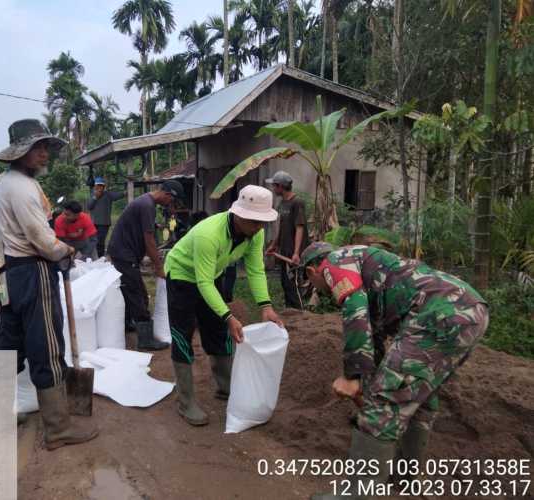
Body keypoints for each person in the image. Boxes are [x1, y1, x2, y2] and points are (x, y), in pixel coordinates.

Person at [303, 243, 489, 499]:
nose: (320, 291)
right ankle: (404, 477)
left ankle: (358, 494)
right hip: (467, 310)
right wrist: (368, 381)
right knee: (419, 396)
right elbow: (374, 338)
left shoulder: (334, 263)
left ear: (312, 271)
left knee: (385, 401)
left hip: (438, 313)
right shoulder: (362, 263)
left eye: (314, 284)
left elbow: (355, 312)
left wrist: (352, 377)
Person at [0, 118, 98, 451]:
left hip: (9, 271)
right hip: (34, 271)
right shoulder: (22, 188)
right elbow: (43, 241)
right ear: (20, 152)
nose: (45, 154)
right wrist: (66, 250)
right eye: (38, 148)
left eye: (45, 148)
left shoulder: (3, 183)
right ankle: (57, 428)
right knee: (47, 346)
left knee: (11, 343)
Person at [164, 185, 284, 426]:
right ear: (238, 214)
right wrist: (229, 316)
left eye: (263, 222)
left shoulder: (254, 233)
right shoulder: (209, 234)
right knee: (183, 335)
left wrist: (266, 305)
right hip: (181, 276)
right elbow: (203, 282)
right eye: (254, 221)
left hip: (210, 274)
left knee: (218, 331)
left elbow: (255, 269)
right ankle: (185, 402)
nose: (259, 227)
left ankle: (225, 387)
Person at [107, 181, 183, 351]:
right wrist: (159, 266)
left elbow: (142, 226)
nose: (169, 205)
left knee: (128, 289)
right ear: (168, 195)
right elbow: (149, 240)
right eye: (171, 201)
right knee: (138, 294)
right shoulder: (147, 205)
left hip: (121, 252)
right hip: (124, 254)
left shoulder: (145, 202)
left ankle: (127, 324)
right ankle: (145, 340)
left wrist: (156, 226)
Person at [265, 171, 309, 309]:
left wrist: (296, 252)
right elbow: (280, 227)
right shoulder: (282, 203)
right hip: (284, 251)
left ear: (280, 186)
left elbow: (300, 227)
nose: (273, 189)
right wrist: (274, 244)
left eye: (274, 186)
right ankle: (290, 313)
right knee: (285, 284)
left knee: (293, 284)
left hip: (293, 253)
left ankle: (300, 313)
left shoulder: (297, 202)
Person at [87, 177, 124, 257]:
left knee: (100, 242)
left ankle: (100, 257)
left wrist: (125, 191)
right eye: (97, 185)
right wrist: (95, 197)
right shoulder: (93, 195)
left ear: (104, 187)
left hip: (104, 223)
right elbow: (89, 206)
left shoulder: (108, 194)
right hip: (93, 223)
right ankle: (93, 257)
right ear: (95, 186)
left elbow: (119, 195)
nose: (99, 187)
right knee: (92, 241)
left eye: (101, 186)